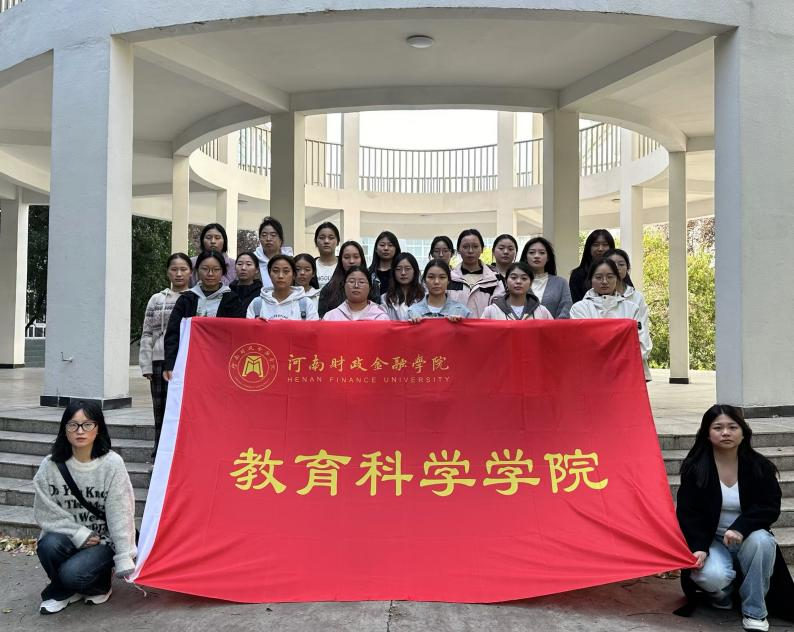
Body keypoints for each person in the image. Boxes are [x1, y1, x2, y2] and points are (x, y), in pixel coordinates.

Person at [676, 405, 794, 631]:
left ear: (743, 433)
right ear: (707, 434)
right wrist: (698, 546)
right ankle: (725, 595)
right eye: (717, 428)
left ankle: (755, 612)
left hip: (749, 537)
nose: (725, 433)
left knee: (762, 541)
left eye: (732, 427)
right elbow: (688, 512)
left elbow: (769, 506)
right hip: (712, 540)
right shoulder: (695, 468)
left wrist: (741, 527)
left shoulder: (759, 466)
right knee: (710, 576)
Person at [33, 401, 136, 614]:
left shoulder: (112, 464)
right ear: (64, 429)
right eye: (73, 425)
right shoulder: (50, 465)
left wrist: (124, 554)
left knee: (73, 574)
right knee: (48, 545)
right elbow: (44, 511)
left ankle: (97, 585)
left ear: (98, 428)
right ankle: (68, 590)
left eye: (87, 424)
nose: (80, 431)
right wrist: (79, 533)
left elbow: (121, 512)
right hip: (66, 537)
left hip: (102, 541)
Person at [139, 252, 191, 458]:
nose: (179, 274)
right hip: (160, 360)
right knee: (160, 408)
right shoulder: (157, 299)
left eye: (183, 269)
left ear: (191, 272)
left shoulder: (194, 297)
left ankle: (181, 449)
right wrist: (146, 364)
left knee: (182, 408)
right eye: (174, 269)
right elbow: (147, 332)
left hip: (185, 360)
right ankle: (159, 449)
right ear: (168, 272)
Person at [163, 251, 242, 380]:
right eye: (205, 269)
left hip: (222, 363)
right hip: (189, 361)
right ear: (197, 270)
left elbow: (238, 333)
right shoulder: (186, 299)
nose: (210, 274)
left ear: (223, 271)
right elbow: (173, 333)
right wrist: (169, 364)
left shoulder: (232, 300)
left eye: (216, 269)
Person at [570, 258, 650, 377]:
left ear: (617, 279)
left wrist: (621, 363)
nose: (604, 281)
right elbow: (582, 343)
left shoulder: (632, 308)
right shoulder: (579, 308)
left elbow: (642, 342)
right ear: (590, 279)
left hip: (626, 372)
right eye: (598, 277)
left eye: (610, 277)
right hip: (591, 372)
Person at [606, 247, 652, 380]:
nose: (617, 267)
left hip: (634, 361)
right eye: (612, 264)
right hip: (605, 363)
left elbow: (643, 329)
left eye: (621, 264)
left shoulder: (637, 297)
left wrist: (639, 355)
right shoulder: (593, 297)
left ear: (627, 268)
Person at [449, 228, 505, 318]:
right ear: (458, 249)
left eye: (475, 246)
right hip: (455, 326)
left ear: (482, 249)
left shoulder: (495, 278)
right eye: (465, 247)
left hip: (485, 326)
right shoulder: (449, 278)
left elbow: (498, 310)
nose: (470, 251)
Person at [247, 255, 319, 320]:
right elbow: (248, 329)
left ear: (294, 275)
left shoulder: (306, 304)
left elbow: (314, 329)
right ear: (269, 274)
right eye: (275, 271)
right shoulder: (257, 304)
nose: (280, 276)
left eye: (286, 271)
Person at [520, 236, 572, 319]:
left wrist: (554, 326)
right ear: (526, 257)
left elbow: (566, 309)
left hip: (554, 327)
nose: (536, 256)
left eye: (542, 253)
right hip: (522, 327)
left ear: (548, 258)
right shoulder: (518, 282)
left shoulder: (561, 283)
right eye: (532, 252)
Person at [482, 262, 553, 320]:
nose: (518, 281)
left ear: (531, 283)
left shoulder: (542, 311)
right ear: (506, 281)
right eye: (513, 277)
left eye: (524, 278)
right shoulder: (491, 311)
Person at [317, 240, 368, 317]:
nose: (351, 261)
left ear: (362, 259)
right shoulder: (328, 289)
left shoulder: (371, 285)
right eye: (346, 257)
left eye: (356, 257)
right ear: (340, 260)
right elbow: (322, 318)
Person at [322, 265, 388, 321]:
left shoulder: (381, 317)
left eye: (361, 282)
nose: (356, 286)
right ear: (344, 286)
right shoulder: (331, 317)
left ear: (370, 287)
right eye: (351, 281)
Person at [569, 229, 616, 303]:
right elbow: (576, 303)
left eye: (605, 244)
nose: (600, 249)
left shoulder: (618, 271)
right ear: (589, 248)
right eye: (596, 245)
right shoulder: (577, 275)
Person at [253, 217, 293, 289]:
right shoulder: (253, 260)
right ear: (260, 239)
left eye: (273, 235)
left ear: (281, 239)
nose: (268, 239)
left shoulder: (291, 260)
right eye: (264, 235)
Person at [381, 252, 423, 320]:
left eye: (407, 268)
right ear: (393, 272)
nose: (403, 273)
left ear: (415, 271)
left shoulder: (424, 296)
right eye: (398, 269)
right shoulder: (385, 298)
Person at [368, 230, 401, 298]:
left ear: (396, 249)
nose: (386, 248)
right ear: (376, 249)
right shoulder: (368, 273)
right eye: (382, 245)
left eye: (390, 245)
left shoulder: (402, 272)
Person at [314, 221, 340, 288]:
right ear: (316, 242)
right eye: (322, 238)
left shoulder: (343, 265)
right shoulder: (310, 265)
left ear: (338, 242)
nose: (326, 241)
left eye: (331, 238)